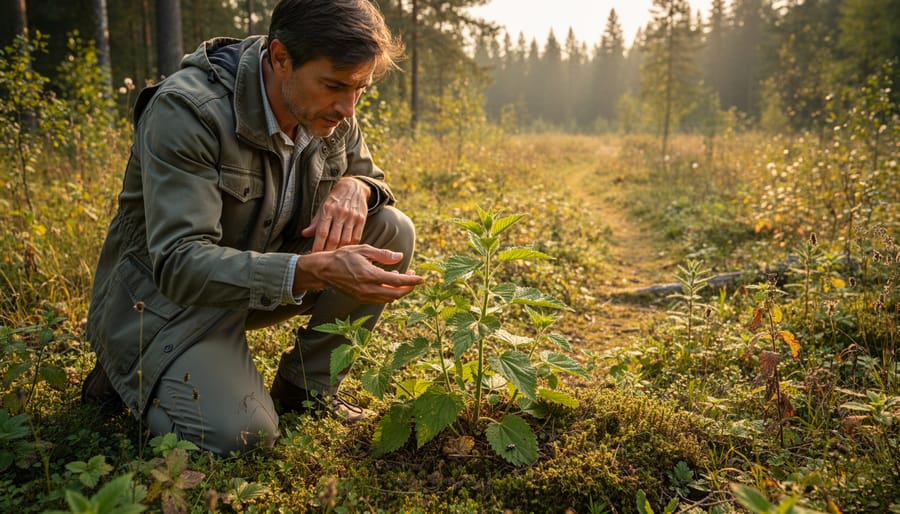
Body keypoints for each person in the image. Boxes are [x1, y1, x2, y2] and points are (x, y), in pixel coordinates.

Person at [81, 0, 423, 455]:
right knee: (243, 435)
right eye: (336, 86)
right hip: (167, 304)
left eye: (361, 88)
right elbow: (180, 264)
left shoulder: (327, 106)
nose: (348, 107)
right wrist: (314, 270)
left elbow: (372, 178)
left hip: (251, 281)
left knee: (390, 230)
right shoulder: (188, 112)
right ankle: (129, 367)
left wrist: (357, 186)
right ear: (280, 58)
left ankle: (306, 388)